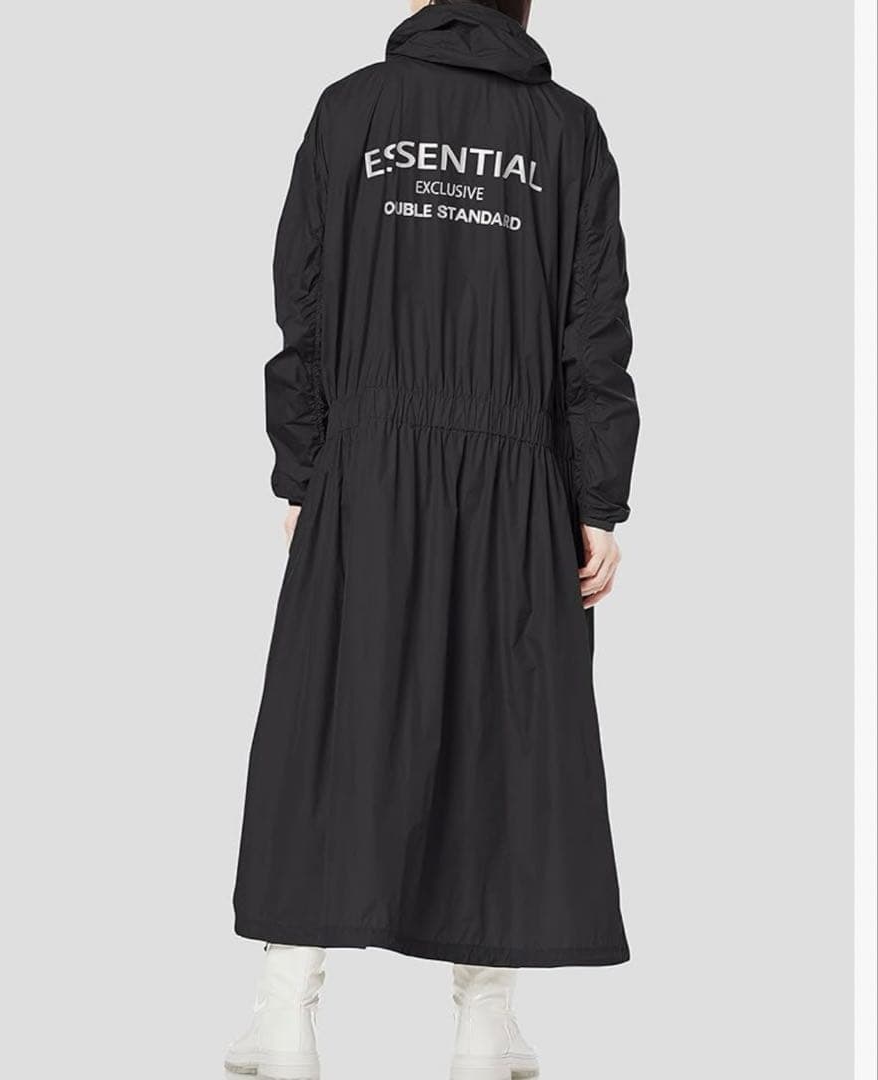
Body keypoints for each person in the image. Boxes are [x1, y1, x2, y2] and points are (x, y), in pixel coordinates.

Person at [227, 0, 639, 1076]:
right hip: (517, 474)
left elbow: (302, 304)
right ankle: (483, 1019)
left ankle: (285, 1009)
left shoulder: (352, 110)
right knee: (505, 726)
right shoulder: (567, 129)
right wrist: (596, 498)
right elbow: (594, 329)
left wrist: (305, 466)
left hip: (367, 465)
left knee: (331, 719)